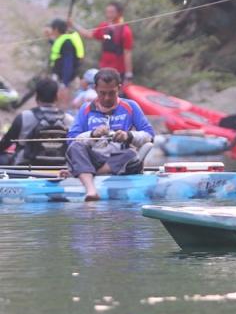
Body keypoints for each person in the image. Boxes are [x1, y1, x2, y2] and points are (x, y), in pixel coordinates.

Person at [65, 68, 154, 200]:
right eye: (102, 93)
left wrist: (128, 136)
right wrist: (93, 134)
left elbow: (150, 135)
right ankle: (91, 190)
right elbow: (71, 139)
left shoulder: (131, 106)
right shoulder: (86, 109)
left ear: (119, 88)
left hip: (120, 159)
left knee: (131, 154)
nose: (107, 98)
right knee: (75, 148)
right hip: (94, 158)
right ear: (95, 89)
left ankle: (86, 174)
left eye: (111, 93)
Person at [0, 77, 71, 166]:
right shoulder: (69, 120)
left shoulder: (24, 117)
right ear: (56, 96)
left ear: (36, 96)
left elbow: (5, 144)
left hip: (25, 165)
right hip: (59, 166)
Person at [71, 1, 134, 83]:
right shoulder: (104, 26)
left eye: (112, 12)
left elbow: (127, 53)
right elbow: (90, 34)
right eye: (107, 12)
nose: (109, 15)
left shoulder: (125, 31)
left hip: (118, 70)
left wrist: (128, 74)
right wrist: (74, 25)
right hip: (104, 67)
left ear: (119, 13)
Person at [47, 18, 85, 89]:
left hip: (67, 80)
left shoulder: (67, 42)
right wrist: (49, 39)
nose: (51, 31)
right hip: (61, 77)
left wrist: (64, 83)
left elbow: (68, 64)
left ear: (56, 29)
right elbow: (59, 51)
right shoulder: (63, 40)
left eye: (52, 29)